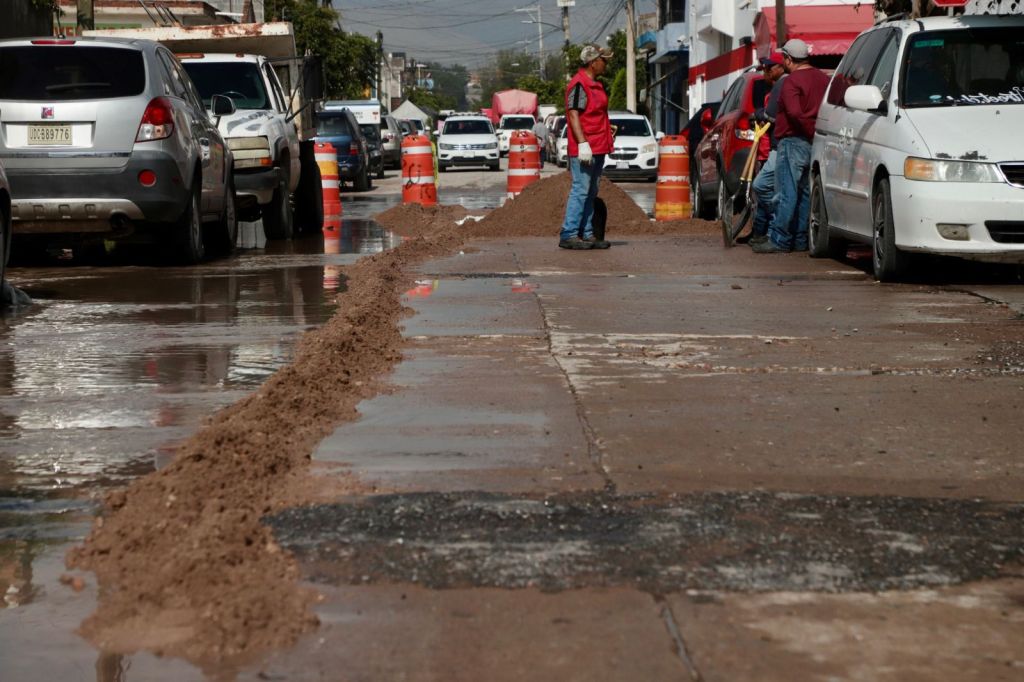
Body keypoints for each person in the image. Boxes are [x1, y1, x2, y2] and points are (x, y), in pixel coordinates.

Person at [753, 39, 830, 254]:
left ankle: (779, 239)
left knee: (786, 193)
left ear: (788, 59)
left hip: (793, 140)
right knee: (805, 193)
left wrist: (806, 129)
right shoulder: (823, 79)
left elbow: (795, 113)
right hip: (812, 143)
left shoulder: (791, 81)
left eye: (784, 58)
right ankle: (800, 240)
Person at [559, 44, 614, 250]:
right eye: (604, 60)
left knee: (591, 190)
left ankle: (587, 232)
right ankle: (569, 233)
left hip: (598, 146)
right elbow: (573, 114)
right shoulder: (579, 85)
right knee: (581, 190)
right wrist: (582, 143)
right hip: (586, 147)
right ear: (593, 62)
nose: (606, 64)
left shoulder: (596, 85)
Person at [749, 51, 787, 246]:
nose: (766, 71)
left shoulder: (783, 86)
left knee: (764, 187)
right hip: (765, 147)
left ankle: (776, 225)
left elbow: (771, 116)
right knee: (765, 191)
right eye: (764, 68)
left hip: (775, 147)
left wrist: (760, 115)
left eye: (769, 68)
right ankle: (759, 231)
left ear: (781, 67)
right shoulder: (769, 93)